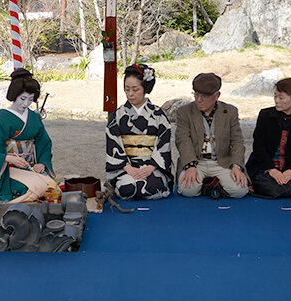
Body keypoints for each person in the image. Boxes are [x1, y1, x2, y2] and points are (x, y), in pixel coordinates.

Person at [0, 69, 57, 202]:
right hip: (9, 170)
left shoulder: (34, 117)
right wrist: (8, 158)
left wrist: (42, 163)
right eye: (22, 98)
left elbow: (44, 143)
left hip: (31, 166)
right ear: (14, 95)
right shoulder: (1, 120)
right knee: (32, 188)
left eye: (30, 99)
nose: (26, 103)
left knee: (50, 187)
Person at [176, 72, 248, 198]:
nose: (199, 100)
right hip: (196, 161)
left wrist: (236, 165)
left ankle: (210, 185)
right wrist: (190, 165)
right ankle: (211, 186)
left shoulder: (230, 112)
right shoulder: (184, 112)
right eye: (196, 95)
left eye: (204, 97)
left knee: (240, 190)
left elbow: (237, 141)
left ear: (217, 96)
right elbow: (182, 139)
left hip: (222, 161)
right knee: (188, 190)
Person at [106, 64, 172, 200]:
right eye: (127, 89)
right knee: (128, 189)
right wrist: (128, 168)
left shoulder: (158, 114)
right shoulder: (118, 115)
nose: (130, 94)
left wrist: (151, 167)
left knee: (153, 187)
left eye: (135, 89)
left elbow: (164, 143)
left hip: (152, 166)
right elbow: (113, 144)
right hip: (126, 166)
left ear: (145, 89)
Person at [246, 78, 291, 198]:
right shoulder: (265, 115)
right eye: (275, 96)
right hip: (264, 166)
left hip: (288, 168)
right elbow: (258, 146)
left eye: (281, 98)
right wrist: (271, 169)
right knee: (269, 186)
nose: (277, 101)